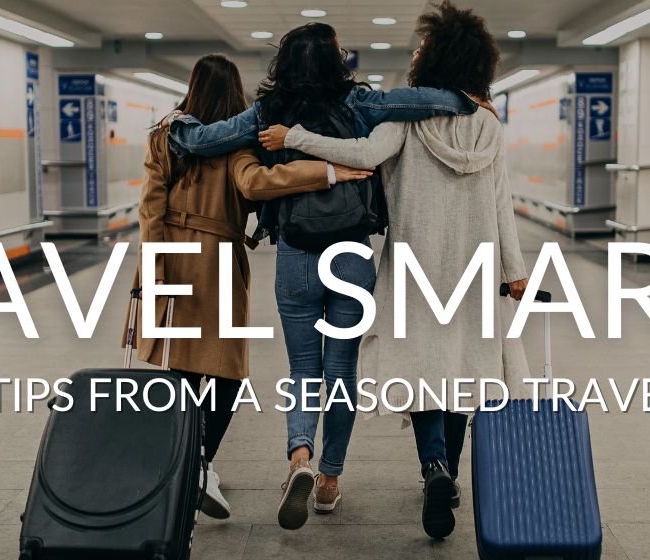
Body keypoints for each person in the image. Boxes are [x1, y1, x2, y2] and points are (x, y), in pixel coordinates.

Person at [165, 23, 482, 532]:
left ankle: (300, 458)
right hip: (351, 255)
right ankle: (330, 479)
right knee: (342, 376)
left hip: (295, 253)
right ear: (337, 61)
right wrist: (463, 101)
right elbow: (419, 102)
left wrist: (177, 125)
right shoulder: (359, 101)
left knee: (303, 372)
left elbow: (207, 140)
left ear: (283, 62)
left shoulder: (271, 111)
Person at [258, 1, 530, 539]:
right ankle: (445, 470)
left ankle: (429, 467)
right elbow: (503, 205)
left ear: (436, 61)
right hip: (473, 268)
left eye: (422, 49)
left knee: (424, 369)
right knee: (459, 372)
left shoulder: (405, 121)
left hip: (416, 263)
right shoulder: (491, 128)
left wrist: (293, 138)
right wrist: (514, 270)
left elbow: (358, 155)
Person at [134, 54, 372, 520]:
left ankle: (178, 464)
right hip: (219, 264)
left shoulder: (164, 136)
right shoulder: (236, 144)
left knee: (178, 373)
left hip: (172, 261)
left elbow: (150, 209)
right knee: (224, 377)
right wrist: (326, 170)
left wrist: (155, 267)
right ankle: (200, 464)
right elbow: (259, 182)